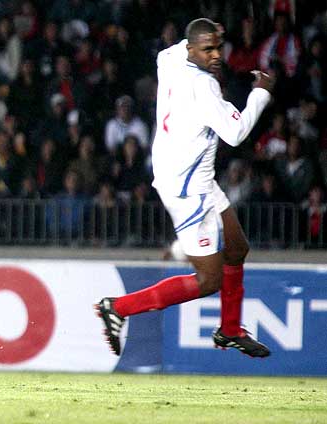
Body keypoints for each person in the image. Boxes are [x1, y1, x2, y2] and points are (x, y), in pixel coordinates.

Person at [96, 18, 274, 359]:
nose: (215, 55)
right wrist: (262, 92)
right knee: (209, 280)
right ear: (192, 49)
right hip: (189, 191)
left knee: (237, 248)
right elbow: (235, 133)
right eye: (207, 49)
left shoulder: (171, 59)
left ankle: (230, 330)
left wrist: (202, 34)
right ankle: (118, 307)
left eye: (218, 47)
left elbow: (171, 50)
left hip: (193, 176)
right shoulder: (204, 86)